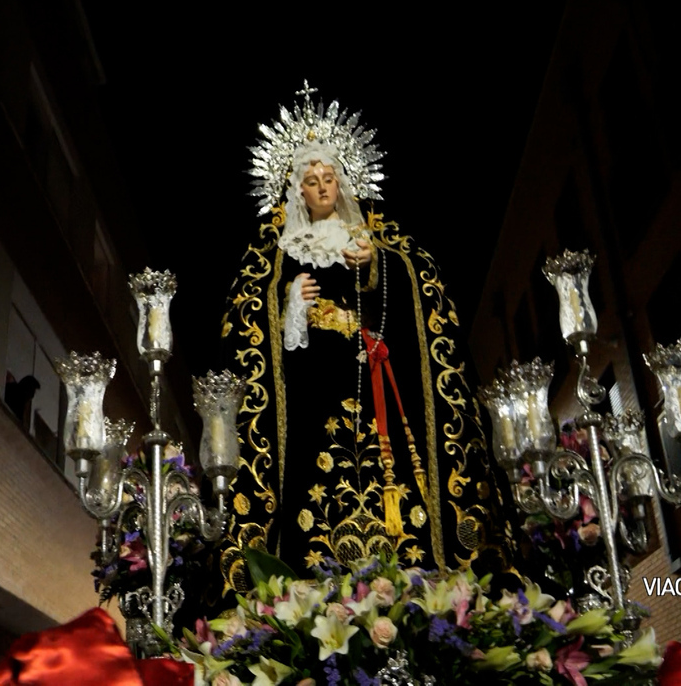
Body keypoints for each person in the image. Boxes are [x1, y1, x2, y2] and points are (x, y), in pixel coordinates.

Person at [217, 84, 513, 595]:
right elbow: (245, 331)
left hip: (378, 395)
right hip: (307, 405)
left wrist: (378, 265)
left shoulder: (378, 242)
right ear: (296, 191)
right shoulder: (274, 255)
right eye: (311, 181)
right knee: (309, 488)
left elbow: (427, 291)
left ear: (344, 183)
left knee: (395, 491)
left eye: (330, 177)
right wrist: (288, 304)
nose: (322, 186)